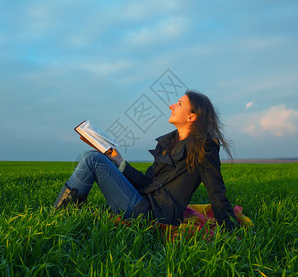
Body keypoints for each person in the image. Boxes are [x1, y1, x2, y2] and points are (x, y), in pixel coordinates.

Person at [54, 90, 238, 230]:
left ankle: (59, 215)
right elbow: (147, 182)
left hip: (155, 215)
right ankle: (65, 213)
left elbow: (217, 192)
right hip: (142, 202)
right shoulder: (170, 143)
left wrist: (232, 231)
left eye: (180, 104)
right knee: (91, 156)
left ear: (192, 116)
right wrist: (118, 160)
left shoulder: (204, 147)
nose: (171, 106)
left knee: (92, 159)